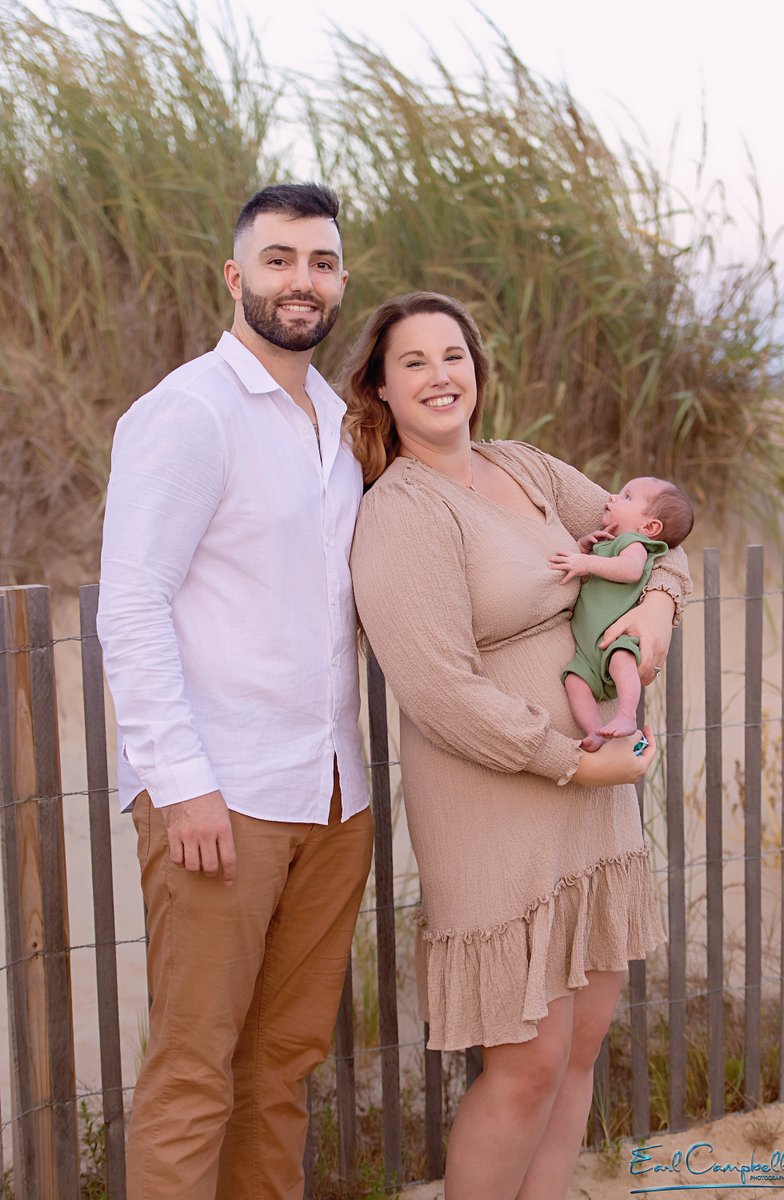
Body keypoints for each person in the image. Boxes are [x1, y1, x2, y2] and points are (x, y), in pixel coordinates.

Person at [342, 292, 691, 1200]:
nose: (438, 375)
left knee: (581, 1046)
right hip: (502, 793)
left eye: (452, 356)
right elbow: (439, 691)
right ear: (380, 385)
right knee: (527, 1063)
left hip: (595, 793)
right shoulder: (399, 512)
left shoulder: (526, 467)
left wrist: (656, 607)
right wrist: (574, 759)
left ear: (477, 373)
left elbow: (659, 539)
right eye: (412, 361)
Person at [96, 183, 374, 1200]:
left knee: (282, 1065)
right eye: (280, 259)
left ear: (340, 281)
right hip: (222, 800)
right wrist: (180, 784)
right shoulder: (187, 413)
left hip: (334, 796)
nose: (302, 280)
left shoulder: (342, 425)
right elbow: (130, 606)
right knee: (193, 1070)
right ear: (235, 276)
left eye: (322, 262)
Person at [549, 476, 694, 750]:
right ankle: (595, 732)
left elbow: (631, 570)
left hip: (617, 638)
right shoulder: (609, 543)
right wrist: (582, 548)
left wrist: (585, 561)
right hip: (587, 651)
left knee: (621, 660)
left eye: (626, 496)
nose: (613, 497)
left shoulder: (633, 544)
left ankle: (627, 715)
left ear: (649, 527)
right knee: (574, 681)